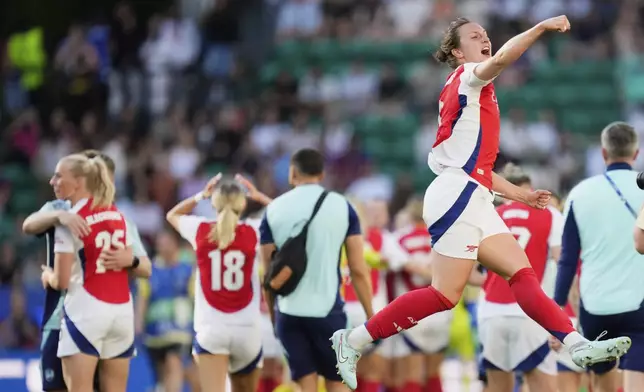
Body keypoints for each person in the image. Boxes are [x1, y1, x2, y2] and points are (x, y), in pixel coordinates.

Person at [331, 16, 631, 390]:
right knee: (444, 295)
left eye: (485, 34)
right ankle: (354, 339)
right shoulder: (468, 75)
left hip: (472, 192)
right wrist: (540, 29)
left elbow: (478, 168)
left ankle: (575, 344)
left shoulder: (472, 93)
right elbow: (504, 58)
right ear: (458, 52)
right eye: (475, 36)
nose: (484, 38)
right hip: (457, 194)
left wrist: (521, 194)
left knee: (521, 275)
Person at [22, 149, 151, 392]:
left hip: (79, 312)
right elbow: (28, 225)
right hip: (116, 311)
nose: (53, 181)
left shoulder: (76, 217)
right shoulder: (117, 217)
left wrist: (130, 260)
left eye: (59, 176)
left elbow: (145, 267)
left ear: (82, 180)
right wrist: (59, 215)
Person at [259, 148, 373, 392]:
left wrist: (273, 318)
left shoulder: (272, 210)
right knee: (337, 384)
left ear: (292, 173)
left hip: (289, 314)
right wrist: (371, 315)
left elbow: (267, 276)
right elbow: (358, 269)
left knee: (303, 387)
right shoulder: (343, 207)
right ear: (322, 174)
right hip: (329, 312)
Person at [556, 122, 644, 392]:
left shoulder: (580, 194)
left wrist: (557, 306)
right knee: (636, 379)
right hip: (639, 302)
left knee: (602, 381)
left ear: (603, 153)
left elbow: (568, 258)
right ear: (636, 153)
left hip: (595, 305)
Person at [166, 175, 262, 392]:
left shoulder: (200, 229)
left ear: (213, 204)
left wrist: (200, 195)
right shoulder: (254, 230)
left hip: (211, 327)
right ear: (243, 203)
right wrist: (260, 197)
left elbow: (172, 214)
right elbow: (288, 216)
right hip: (247, 327)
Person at [478, 163, 564, 392]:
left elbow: (469, 271)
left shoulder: (491, 215)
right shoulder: (550, 215)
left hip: (490, 312)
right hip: (531, 314)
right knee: (542, 385)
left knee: (497, 387)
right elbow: (562, 261)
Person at [393, 197, 449, 392]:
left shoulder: (399, 238)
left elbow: (393, 269)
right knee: (434, 374)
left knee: (412, 375)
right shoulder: (443, 237)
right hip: (439, 311)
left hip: (412, 313)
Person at [135, 229, 194, 392]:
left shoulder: (188, 268)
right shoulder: (150, 270)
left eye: (166, 242)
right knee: (163, 374)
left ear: (175, 244)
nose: (163, 246)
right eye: (160, 243)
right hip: (154, 331)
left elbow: (195, 297)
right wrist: (138, 322)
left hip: (180, 329)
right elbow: (143, 297)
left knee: (173, 362)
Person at [245, 202, 285, 392]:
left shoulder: (282, 251)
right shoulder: (251, 255)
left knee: (275, 369)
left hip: (278, 315)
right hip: (260, 316)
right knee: (264, 368)